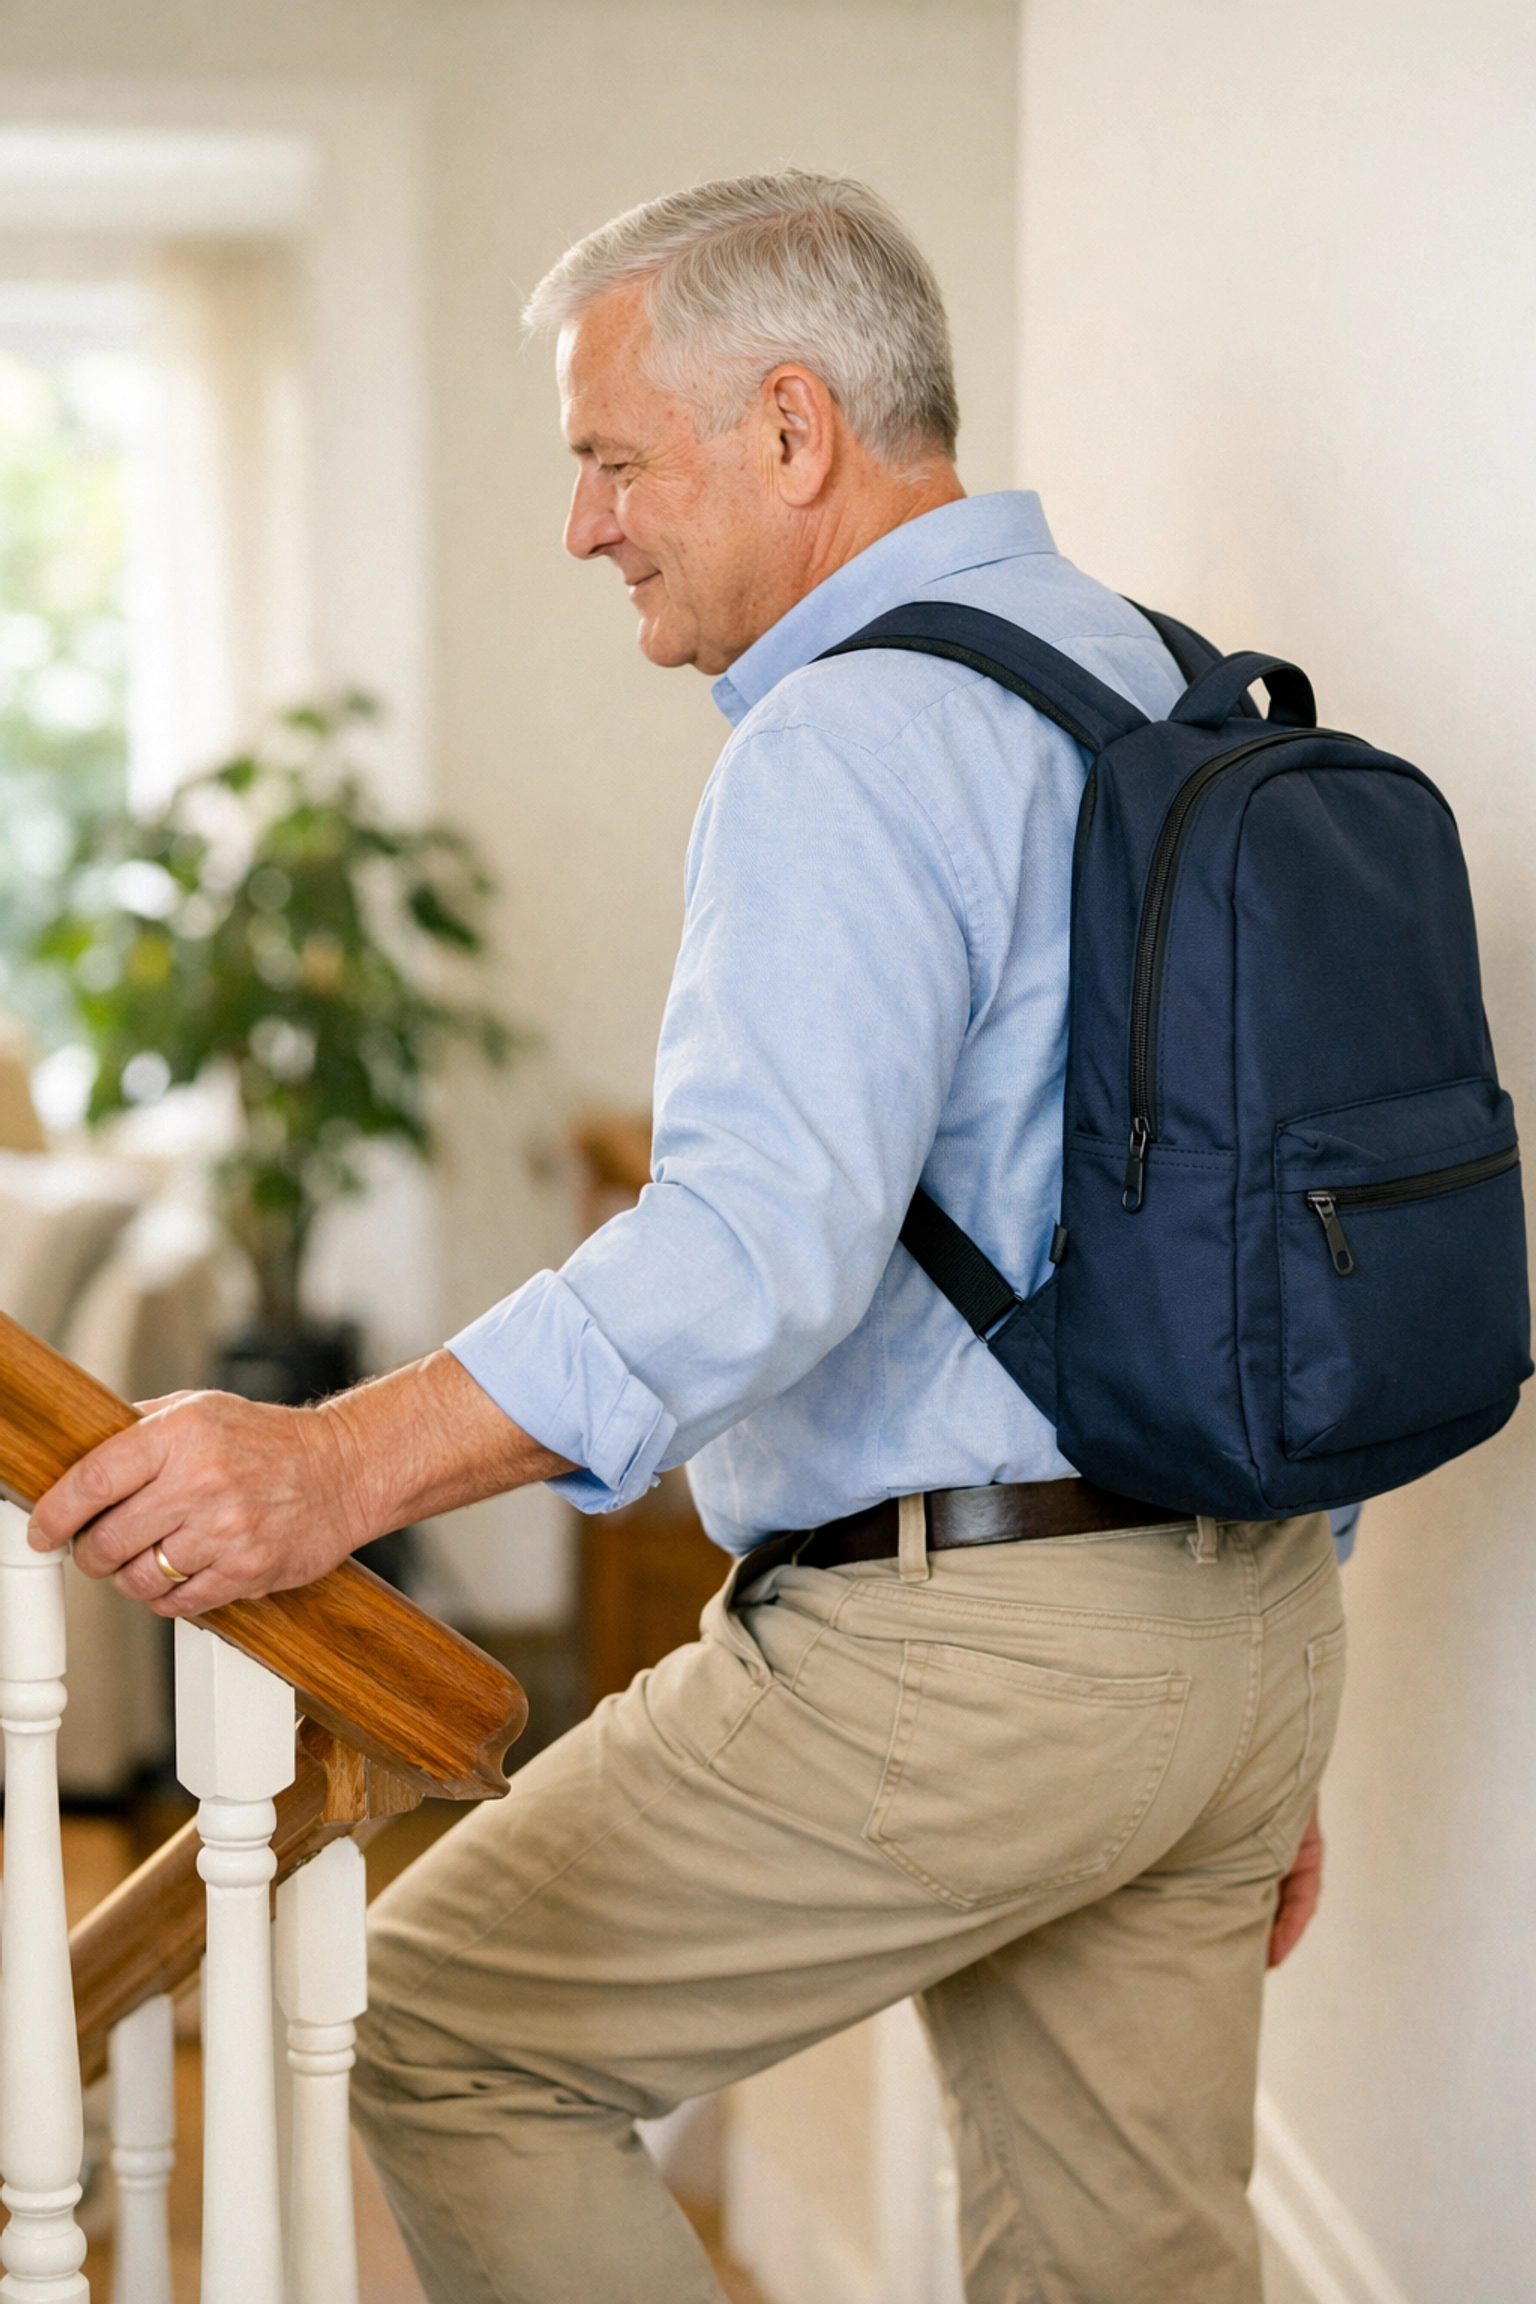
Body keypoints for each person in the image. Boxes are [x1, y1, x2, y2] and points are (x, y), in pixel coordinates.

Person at [30, 172, 1342, 2304]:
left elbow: (750, 1250)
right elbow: (1276, 1221)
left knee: (447, 2037)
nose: (586, 524)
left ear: (797, 432)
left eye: (612, 459)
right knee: (1136, 2278)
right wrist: (1238, 1711)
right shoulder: (1157, 678)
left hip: (974, 1649)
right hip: (1245, 1623)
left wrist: (329, 1465)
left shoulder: (850, 733)